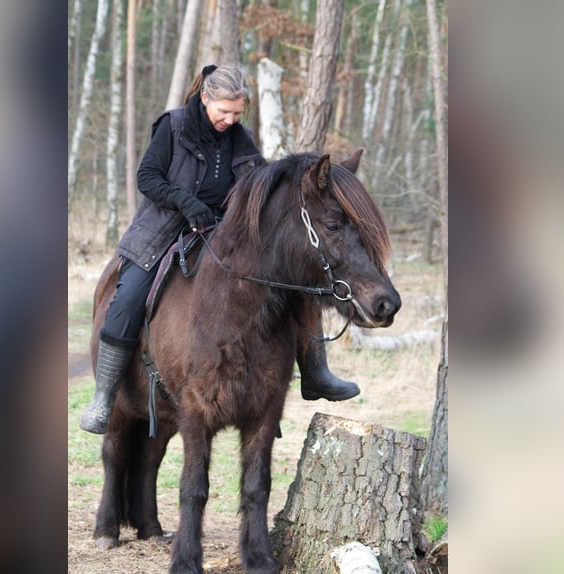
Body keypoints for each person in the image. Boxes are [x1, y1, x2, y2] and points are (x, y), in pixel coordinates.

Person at [80, 64, 360, 434]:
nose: (229, 119)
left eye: (237, 113)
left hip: (221, 230)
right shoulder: (174, 126)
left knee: (293, 280)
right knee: (129, 295)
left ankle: (316, 373)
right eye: (222, 111)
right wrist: (184, 201)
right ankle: (104, 396)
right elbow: (147, 177)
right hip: (162, 228)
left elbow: (258, 183)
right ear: (205, 99)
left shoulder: (240, 137)